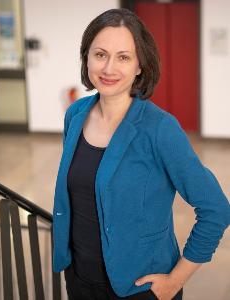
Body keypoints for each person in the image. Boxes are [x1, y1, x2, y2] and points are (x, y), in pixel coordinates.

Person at [52, 8, 230, 300]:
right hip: (80, 280)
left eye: (123, 57)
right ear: (86, 58)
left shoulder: (160, 129)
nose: (109, 68)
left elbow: (216, 210)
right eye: (100, 54)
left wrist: (175, 280)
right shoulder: (75, 115)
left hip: (140, 289)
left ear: (139, 66)